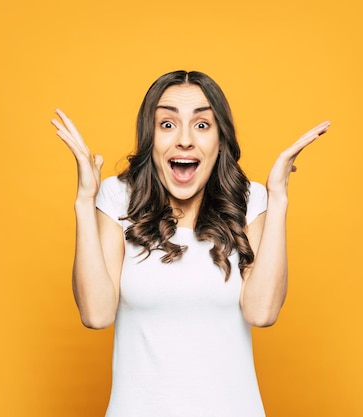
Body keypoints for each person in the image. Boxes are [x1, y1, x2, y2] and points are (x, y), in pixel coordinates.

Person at [51, 70, 330, 417]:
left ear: (220, 139)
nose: (184, 140)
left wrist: (278, 197)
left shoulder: (250, 201)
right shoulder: (117, 197)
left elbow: (262, 312)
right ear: (149, 137)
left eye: (201, 125)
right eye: (167, 124)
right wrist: (84, 198)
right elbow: (96, 314)